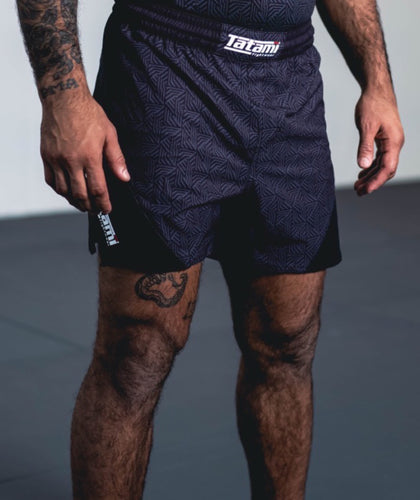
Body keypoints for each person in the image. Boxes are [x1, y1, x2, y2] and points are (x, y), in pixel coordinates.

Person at [17, 0, 404, 498]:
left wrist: (378, 82)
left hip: (289, 86)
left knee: (288, 342)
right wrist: (64, 99)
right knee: (137, 353)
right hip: (165, 72)